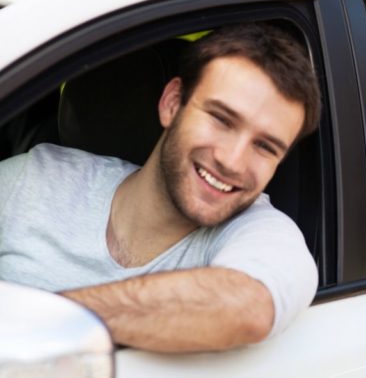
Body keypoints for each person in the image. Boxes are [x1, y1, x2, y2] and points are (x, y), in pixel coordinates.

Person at [0, 22, 322, 352]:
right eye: (221, 119)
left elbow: (249, 307)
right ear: (171, 103)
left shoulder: (266, 233)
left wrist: (40, 323)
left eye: (265, 147)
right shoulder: (34, 179)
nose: (233, 162)